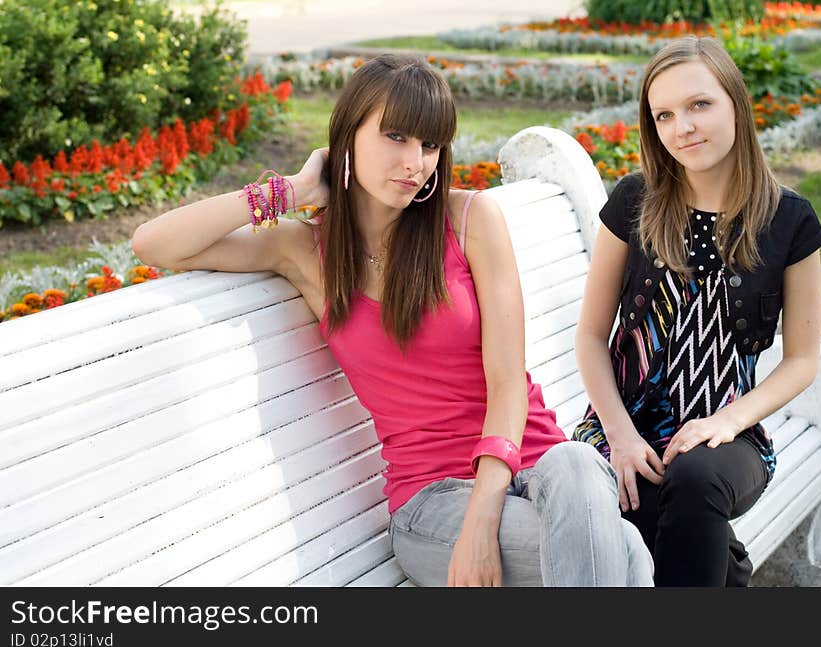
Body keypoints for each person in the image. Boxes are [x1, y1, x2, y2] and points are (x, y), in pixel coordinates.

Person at [132, 54, 652, 587]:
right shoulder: (307, 251)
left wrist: (484, 516)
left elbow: (507, 382)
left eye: (429, 145)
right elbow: (155, 244)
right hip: (433, 499)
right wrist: (293, 190)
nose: (415, 162)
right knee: (627, 551)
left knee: (578, 462)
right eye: (396, 137)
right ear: (348, 135)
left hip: (537, 467)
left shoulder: (470, 220)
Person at [572, 35, 821, 586]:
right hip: (621, 427)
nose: (682, 127)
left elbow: (804, 360)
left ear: (735, 101)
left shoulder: (791, 221)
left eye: (699, 105)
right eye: (664, 115)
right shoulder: (634, 202)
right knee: (650, 500)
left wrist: (728, 420)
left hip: (726, 436)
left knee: (692, 479)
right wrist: (618, 435)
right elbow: (591, 336)